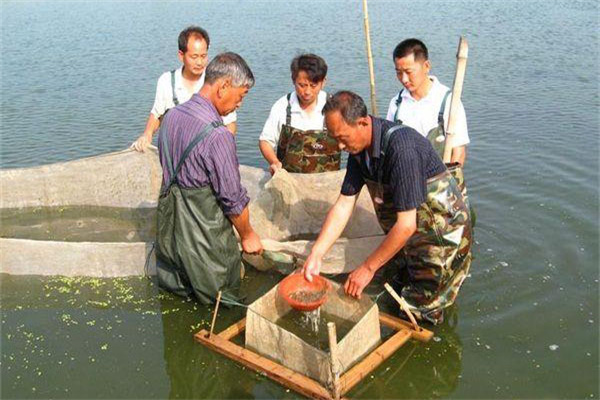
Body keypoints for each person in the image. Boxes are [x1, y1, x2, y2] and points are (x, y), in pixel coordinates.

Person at [302, 91, 472, 324]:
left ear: (363, 122)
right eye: (335, 139)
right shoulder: (358, 150)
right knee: (395, 288)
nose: (340, 146)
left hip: (440, 236)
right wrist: (317, 253)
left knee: (418, 312)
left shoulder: (401, 150)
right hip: (410, 233)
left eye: (343, 138)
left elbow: (405, 225)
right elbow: (344, 203)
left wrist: (367, 268)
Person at [155, 52, 262, 304]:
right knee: (222, 307)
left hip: (170, 245)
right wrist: (247, 235)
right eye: (242, 94)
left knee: (178, 307)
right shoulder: (219, 136)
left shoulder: (170, 117)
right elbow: (233, 201)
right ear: (224, 86)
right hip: (208, 255)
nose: (240, 104)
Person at [131, 26, 237, 152]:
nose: (199, 62)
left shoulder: (216, 83)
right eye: (194, 57)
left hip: (206, 153)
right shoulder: (166, 81)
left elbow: (230, 123)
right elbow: (157, 114)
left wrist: (223, 148)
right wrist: (147, 135)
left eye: (203, 56)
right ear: (181, 55)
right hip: (175, 154)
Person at [386, 38, 469, 165]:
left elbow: (459, 154)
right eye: (399, 73)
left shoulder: (449, 102)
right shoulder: (396, 104)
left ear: (426, 66)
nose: (404, 79)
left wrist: (447, 182)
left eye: (409, 72)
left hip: (441, 180)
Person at [258, 54, 340, 174]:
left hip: (327, 183)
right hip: (291, 181)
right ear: (293, 80)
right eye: (302, 85)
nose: (307, 92)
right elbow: (265, 141)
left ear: (323, 82)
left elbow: (351, 139)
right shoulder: (282, 106)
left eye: (313, 86)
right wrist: (274, 162)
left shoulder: (334, 106)